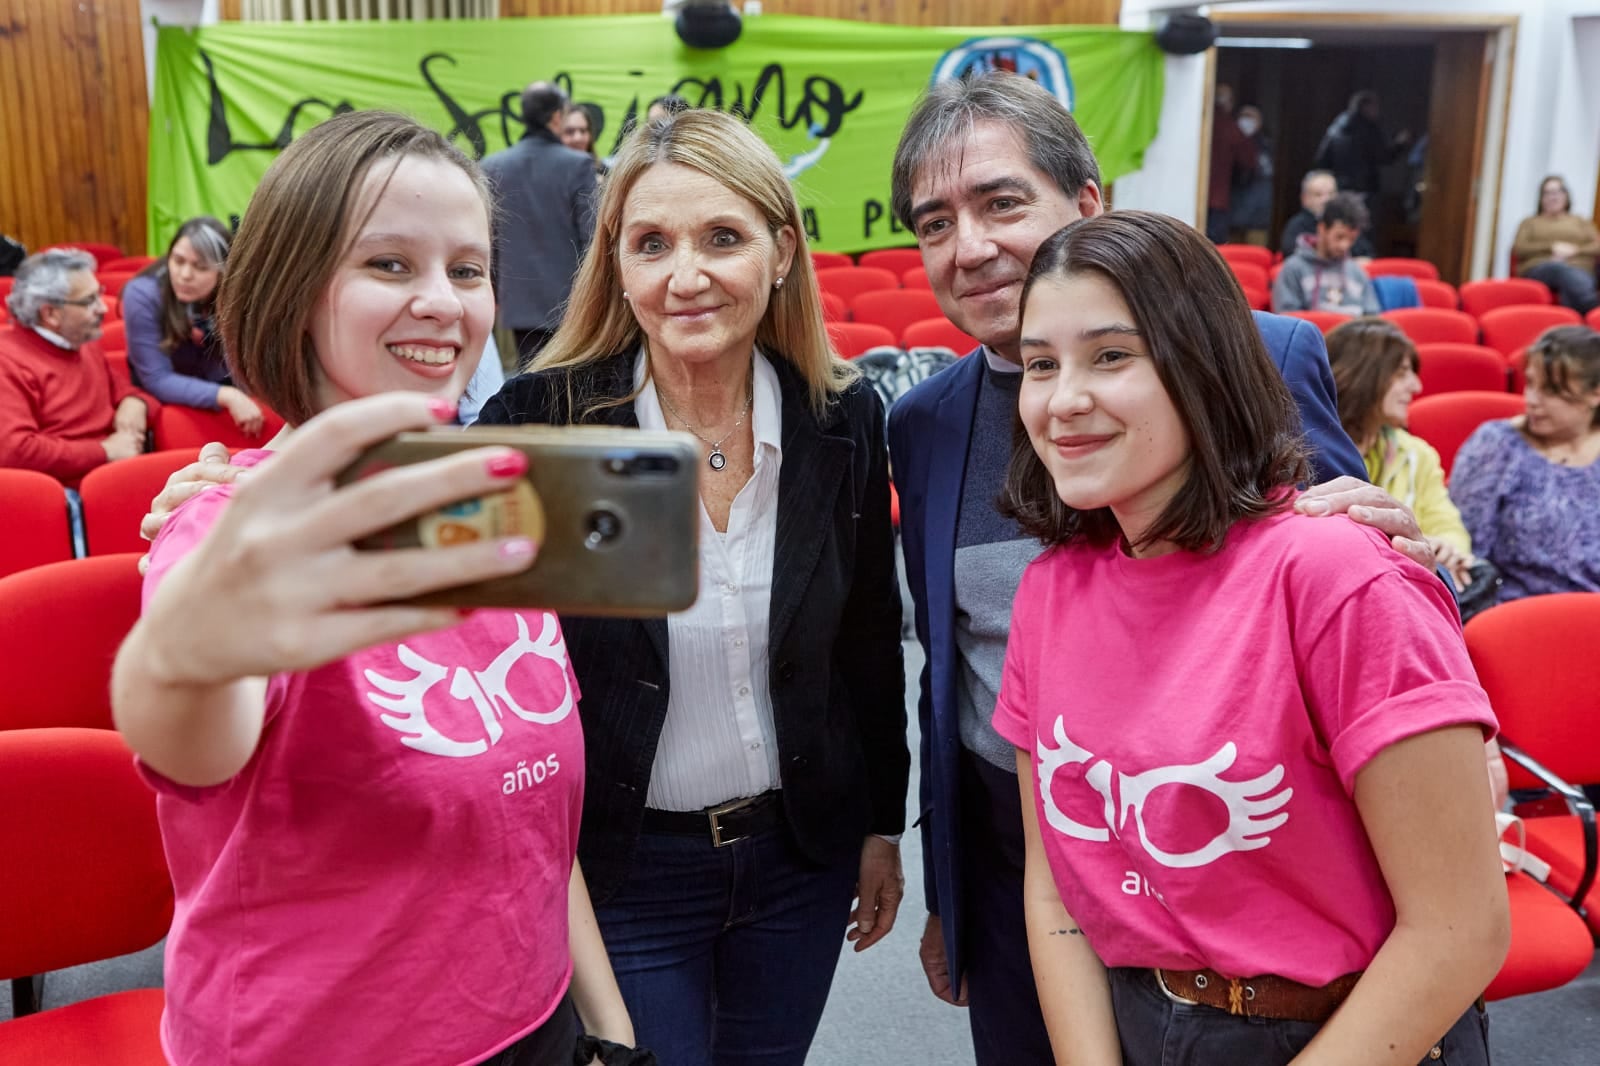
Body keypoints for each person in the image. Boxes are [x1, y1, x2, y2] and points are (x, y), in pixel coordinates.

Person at [886, 71, 1434, 1066]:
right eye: (934, 223)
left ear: (1086, 202)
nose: (969, 247)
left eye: (1001, 202)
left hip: (1236, 854)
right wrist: (950, 895)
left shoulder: (1259, 355)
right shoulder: (922, 423)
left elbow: (1352, 568)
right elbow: (943, 670)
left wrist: (1410, 558)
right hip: (1031, 856)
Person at [110, 110, 636, 1066]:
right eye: (389, 265)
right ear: (295, 290)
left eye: (467, 270)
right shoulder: (233, 535)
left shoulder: (494, 509)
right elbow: (190, 742)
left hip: (536, 1026)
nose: (444, 302)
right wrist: (185, 656)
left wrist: (605, 1027)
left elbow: (524, 813)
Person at [995, 208, 1507, 1066]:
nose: (1063, 399)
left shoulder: (1339, 577)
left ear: (1203, 366)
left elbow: (1459, 931)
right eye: (1041, 364)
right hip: (1143, 1021)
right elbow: (1057, 888)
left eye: (1111, 356)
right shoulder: (1050, 589)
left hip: (1350, 1032)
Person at [472, 107, 908, 1066]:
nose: (687, 276)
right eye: (652, 244)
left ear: (781, 251)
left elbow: (870, 636)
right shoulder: (546, 421)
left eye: (723, 238)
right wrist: (242, 485)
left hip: (798, 859)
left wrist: (881, 823)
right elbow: (406, 547)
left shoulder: (839, 416)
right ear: (616, 266)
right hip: (621, 866)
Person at [1451, 324, 1600, 606]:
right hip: (1517, 617)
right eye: (1530, 383)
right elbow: (1466, 556)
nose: (1531, 400)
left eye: (1551, 391)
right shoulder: (1498, 445)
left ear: (1595, 394)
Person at [1326, 317, 1475, 587]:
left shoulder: (1417, 453)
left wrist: (1445, 548)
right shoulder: (1305, 450)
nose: (1416, 386)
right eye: (1403, 372)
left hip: (1403, 585)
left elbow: (1449, 526)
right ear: (1365, 375)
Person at [0, 248, 153, 483]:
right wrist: (104, 451)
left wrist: (134, 402)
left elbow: (123, 390)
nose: (103, 308)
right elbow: (16, 451)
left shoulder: (80, 340)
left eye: (99, 294)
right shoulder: (7, 360)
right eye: (89, 301)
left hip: (114, 472)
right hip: (64, 491)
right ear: (51, 314)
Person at [481, 81, 598, 361]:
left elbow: (489, 239)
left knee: (529, 383)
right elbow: (591, 237)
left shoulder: (492, 166)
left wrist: (492, 290)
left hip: (517, 300)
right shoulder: (578, 164)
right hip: (572, 302)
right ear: (557, 116)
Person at [122, 216, 265, 434]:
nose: (185, 275)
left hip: (224, 389)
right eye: (178, 261)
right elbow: (156, 378)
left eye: (200, 267)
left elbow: (247, 369)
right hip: (170, 404)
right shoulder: (142, 294)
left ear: (223, 271)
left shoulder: (236, 293)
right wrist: (227, 396)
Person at [1272, 192, 1380, 317]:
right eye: (1339, 237)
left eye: (1351, 239)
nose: (1344, 245)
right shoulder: (1293, 268)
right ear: (1322, 229)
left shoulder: (1357, 273)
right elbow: (1287, 322)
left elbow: (1373, 321)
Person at [1511, 176, 1599, 314]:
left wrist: (1575, 251)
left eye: (1558, 192)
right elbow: (1520, 248)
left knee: (1571, 277)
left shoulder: (1580, 222)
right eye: (1547, 193)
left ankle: (1572, 322)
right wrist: (1551, 246)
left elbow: (1597, 246)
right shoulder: (1530, 222)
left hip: (1579, 268)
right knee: (1559, 269)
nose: (1553, 197)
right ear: (1541, 198)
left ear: (1566, 196)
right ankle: (1591, 306)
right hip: (1541, 268)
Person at [1313, 90, 1411, 208]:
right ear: (1366, 107)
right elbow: (1383, 157)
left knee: (1341, 224)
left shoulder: (1335, 129)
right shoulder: (1368, 129)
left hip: (1338, 189)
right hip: (1365, 189)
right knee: (1363, 224)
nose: (1378, 111)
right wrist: (1400, 144)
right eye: (1375, 107)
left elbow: (1321, 160)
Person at [1279, 170, 1375, 260]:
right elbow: (1291, 255)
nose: (1326, 200)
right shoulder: (1296, 225)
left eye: (1331, 194)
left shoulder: (1348, 223)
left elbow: (1367, 255)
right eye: (1318, 195)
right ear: (1305, 199)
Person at [1205, 83, 1258, 243]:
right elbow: (1249, 161)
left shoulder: (1200, 121)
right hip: (1218, 199)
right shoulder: (1230, 127)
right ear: (1229, 103)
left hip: (1201, 197)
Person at [1228, 104, 1273, 245]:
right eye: (1243, 116)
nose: (1246, 121)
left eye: (1251, 117)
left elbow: (1265, 174)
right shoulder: (1230, 142)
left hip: (1257, 215)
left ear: (1259, 122)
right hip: (1232, 212)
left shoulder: (1265, 146)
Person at [562, 102, 609, 179]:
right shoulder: (546, 171)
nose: (578, 138)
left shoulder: (603, 171)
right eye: (570, 131)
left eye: (583, 131)